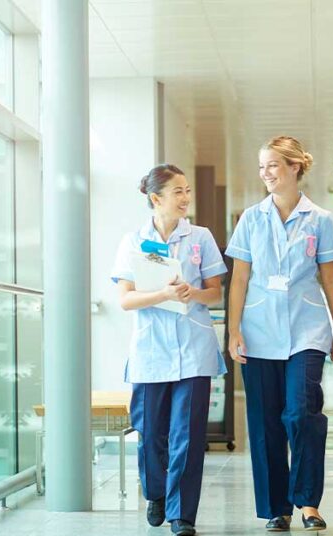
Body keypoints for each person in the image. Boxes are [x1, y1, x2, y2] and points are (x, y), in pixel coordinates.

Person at [225, 136, 333, 532]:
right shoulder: (251, 219)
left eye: (273, 166)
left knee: (301, 412)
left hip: (307, 331)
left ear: (295, 167)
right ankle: (277, 508)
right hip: (259, 332)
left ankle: (308, 501)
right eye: (262, 167)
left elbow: (330, 276)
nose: (266, 174)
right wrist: (233, 330)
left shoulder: (320, 220)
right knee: (264, 424)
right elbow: (240, 278)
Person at [111, 164, 228, 536]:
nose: (186, 198)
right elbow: (126, 300)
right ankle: (157, 494)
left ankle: (182, 515)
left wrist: (192, 293)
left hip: (193, 347)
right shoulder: (133, 241)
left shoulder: (201, 237)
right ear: (155, 198)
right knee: (150, 433)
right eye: (178, 192)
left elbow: (216, 292)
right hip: (150, 350)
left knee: (188, 435)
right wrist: (162, 294)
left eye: (188, 191)